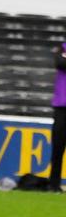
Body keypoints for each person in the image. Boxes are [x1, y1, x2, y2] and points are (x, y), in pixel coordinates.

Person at [49, 42, 66, 193]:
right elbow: (60, 63)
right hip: (62, 107)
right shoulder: (62, 47)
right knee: (58, 147)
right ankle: (54, 184)